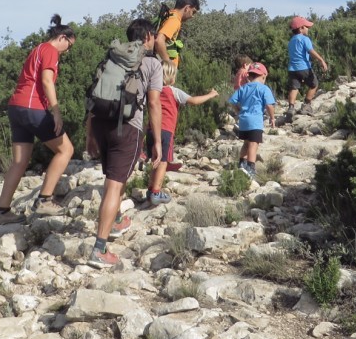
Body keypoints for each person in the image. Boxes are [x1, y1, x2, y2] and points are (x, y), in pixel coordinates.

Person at [86, 18, 163, 267]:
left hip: (100, 122)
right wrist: (157, 142)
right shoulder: (152, 63)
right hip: (128, 127)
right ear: (149, 36)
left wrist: (89, 135)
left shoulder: (112, 58)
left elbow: (93, 95)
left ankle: (117, 219)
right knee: (114, 184)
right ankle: (99, 248)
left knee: (114, 178)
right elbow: (153, 103)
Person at [0, 14, 76, 225]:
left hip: (16, 107)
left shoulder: (36, 49)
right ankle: (44, 200)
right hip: (33, 106)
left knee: (19, 162)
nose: (68, 50)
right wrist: (55, 110)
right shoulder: (50, 51)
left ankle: (2, 212)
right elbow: (47, 81)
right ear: (63, 38)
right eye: (70, 45)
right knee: (66, 150)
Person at [145, 62, 218, 205]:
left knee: (155, 159)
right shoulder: (174, 91)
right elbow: (194, 101)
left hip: (151, 130)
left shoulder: (152, 90)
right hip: (165, 130)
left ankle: (150, 188)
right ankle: (156, 192)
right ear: (172, 78)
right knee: (163, 161)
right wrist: (211, 94)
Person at [228, 62, 276, 177]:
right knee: (253, 145)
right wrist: (272, 117)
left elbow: (232, 101)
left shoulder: (243, 88)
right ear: (263, 76)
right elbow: (269, 105)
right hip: (255, 122)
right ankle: (250, 168)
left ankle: (241, 164)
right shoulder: (264, 88)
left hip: (243, 121)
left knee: (246, 143)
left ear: (249, 76)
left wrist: (238, 110)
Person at [286, 16, 328, 120]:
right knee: (314, 84)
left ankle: (291, 108)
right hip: (304, 67)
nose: (308, 29)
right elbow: (310, 51)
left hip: (292, 68)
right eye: (306, 27)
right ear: (300, 28)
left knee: (294, 87)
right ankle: (306, 105)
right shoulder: (304, 39)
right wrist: (321, 60)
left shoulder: (291, 41)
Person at [154, 0, 200, 67]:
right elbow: (159, 40)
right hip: (165, 72)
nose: (192, 16)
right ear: (187, 8)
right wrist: (168, 64)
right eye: (193, 12)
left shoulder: (169, 15)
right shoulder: (174, 20)